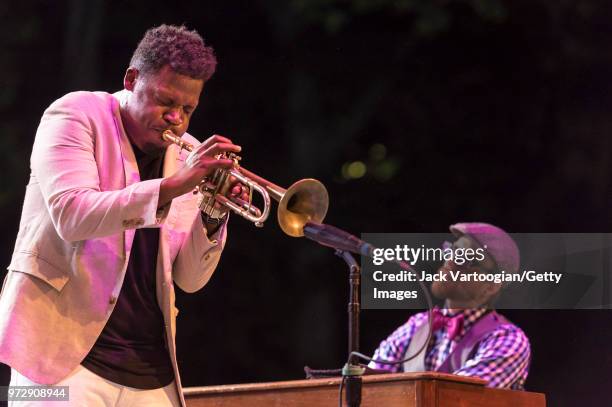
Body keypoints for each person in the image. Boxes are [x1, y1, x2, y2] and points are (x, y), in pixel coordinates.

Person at [0, 25, 245, 406]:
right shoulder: (75, 114)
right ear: (131, 80)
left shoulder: (186, 154)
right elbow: (72, 214)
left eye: (188, 109)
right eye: (166, 101)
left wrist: (213, 214)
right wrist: (174, 186)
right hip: (56, 360)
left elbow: (190, 280)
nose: (176, 119)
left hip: (151, 373)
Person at [369, 222, 531, 390]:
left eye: (467, 258)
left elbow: (455, 397)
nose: (451, 262)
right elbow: (371, 388)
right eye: (452, 251)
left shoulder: (506, 339)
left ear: (492, 286)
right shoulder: (416, 325)